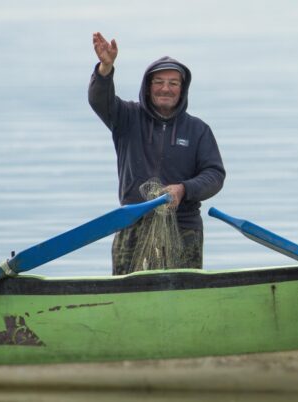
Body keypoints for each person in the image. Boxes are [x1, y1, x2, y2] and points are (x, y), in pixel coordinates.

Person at [89, 32, 226, 275]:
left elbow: (214, 175)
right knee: (126, 295)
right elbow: (100, 100)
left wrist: (183, 189)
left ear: (182, 89)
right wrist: (105, 69)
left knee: (184, 296)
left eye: (173, 83)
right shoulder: (126, 117)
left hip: (184, 228)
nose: (166, 88)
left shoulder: (198, 130)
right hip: (132, 224)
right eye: (159, 82)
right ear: (148, 86)